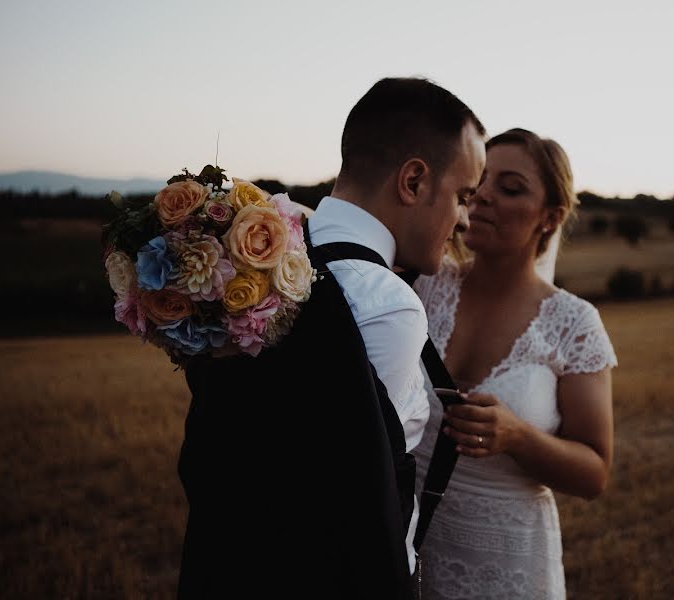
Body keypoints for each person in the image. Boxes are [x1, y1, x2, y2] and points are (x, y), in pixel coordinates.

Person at [176, 77, 485, 599]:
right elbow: (355, 506)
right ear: (413, 181)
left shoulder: (262, 264)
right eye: (463, 196)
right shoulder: (387, 302)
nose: (464, 219)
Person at [412, 128, 617, 599]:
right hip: (409, 544)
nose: (483, 196)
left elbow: (594, 472)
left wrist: (517, 436)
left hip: (508, 561)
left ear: (550, 217)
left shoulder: (574, 323)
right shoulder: (424, 286)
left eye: (510, 188)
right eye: (480, 180)